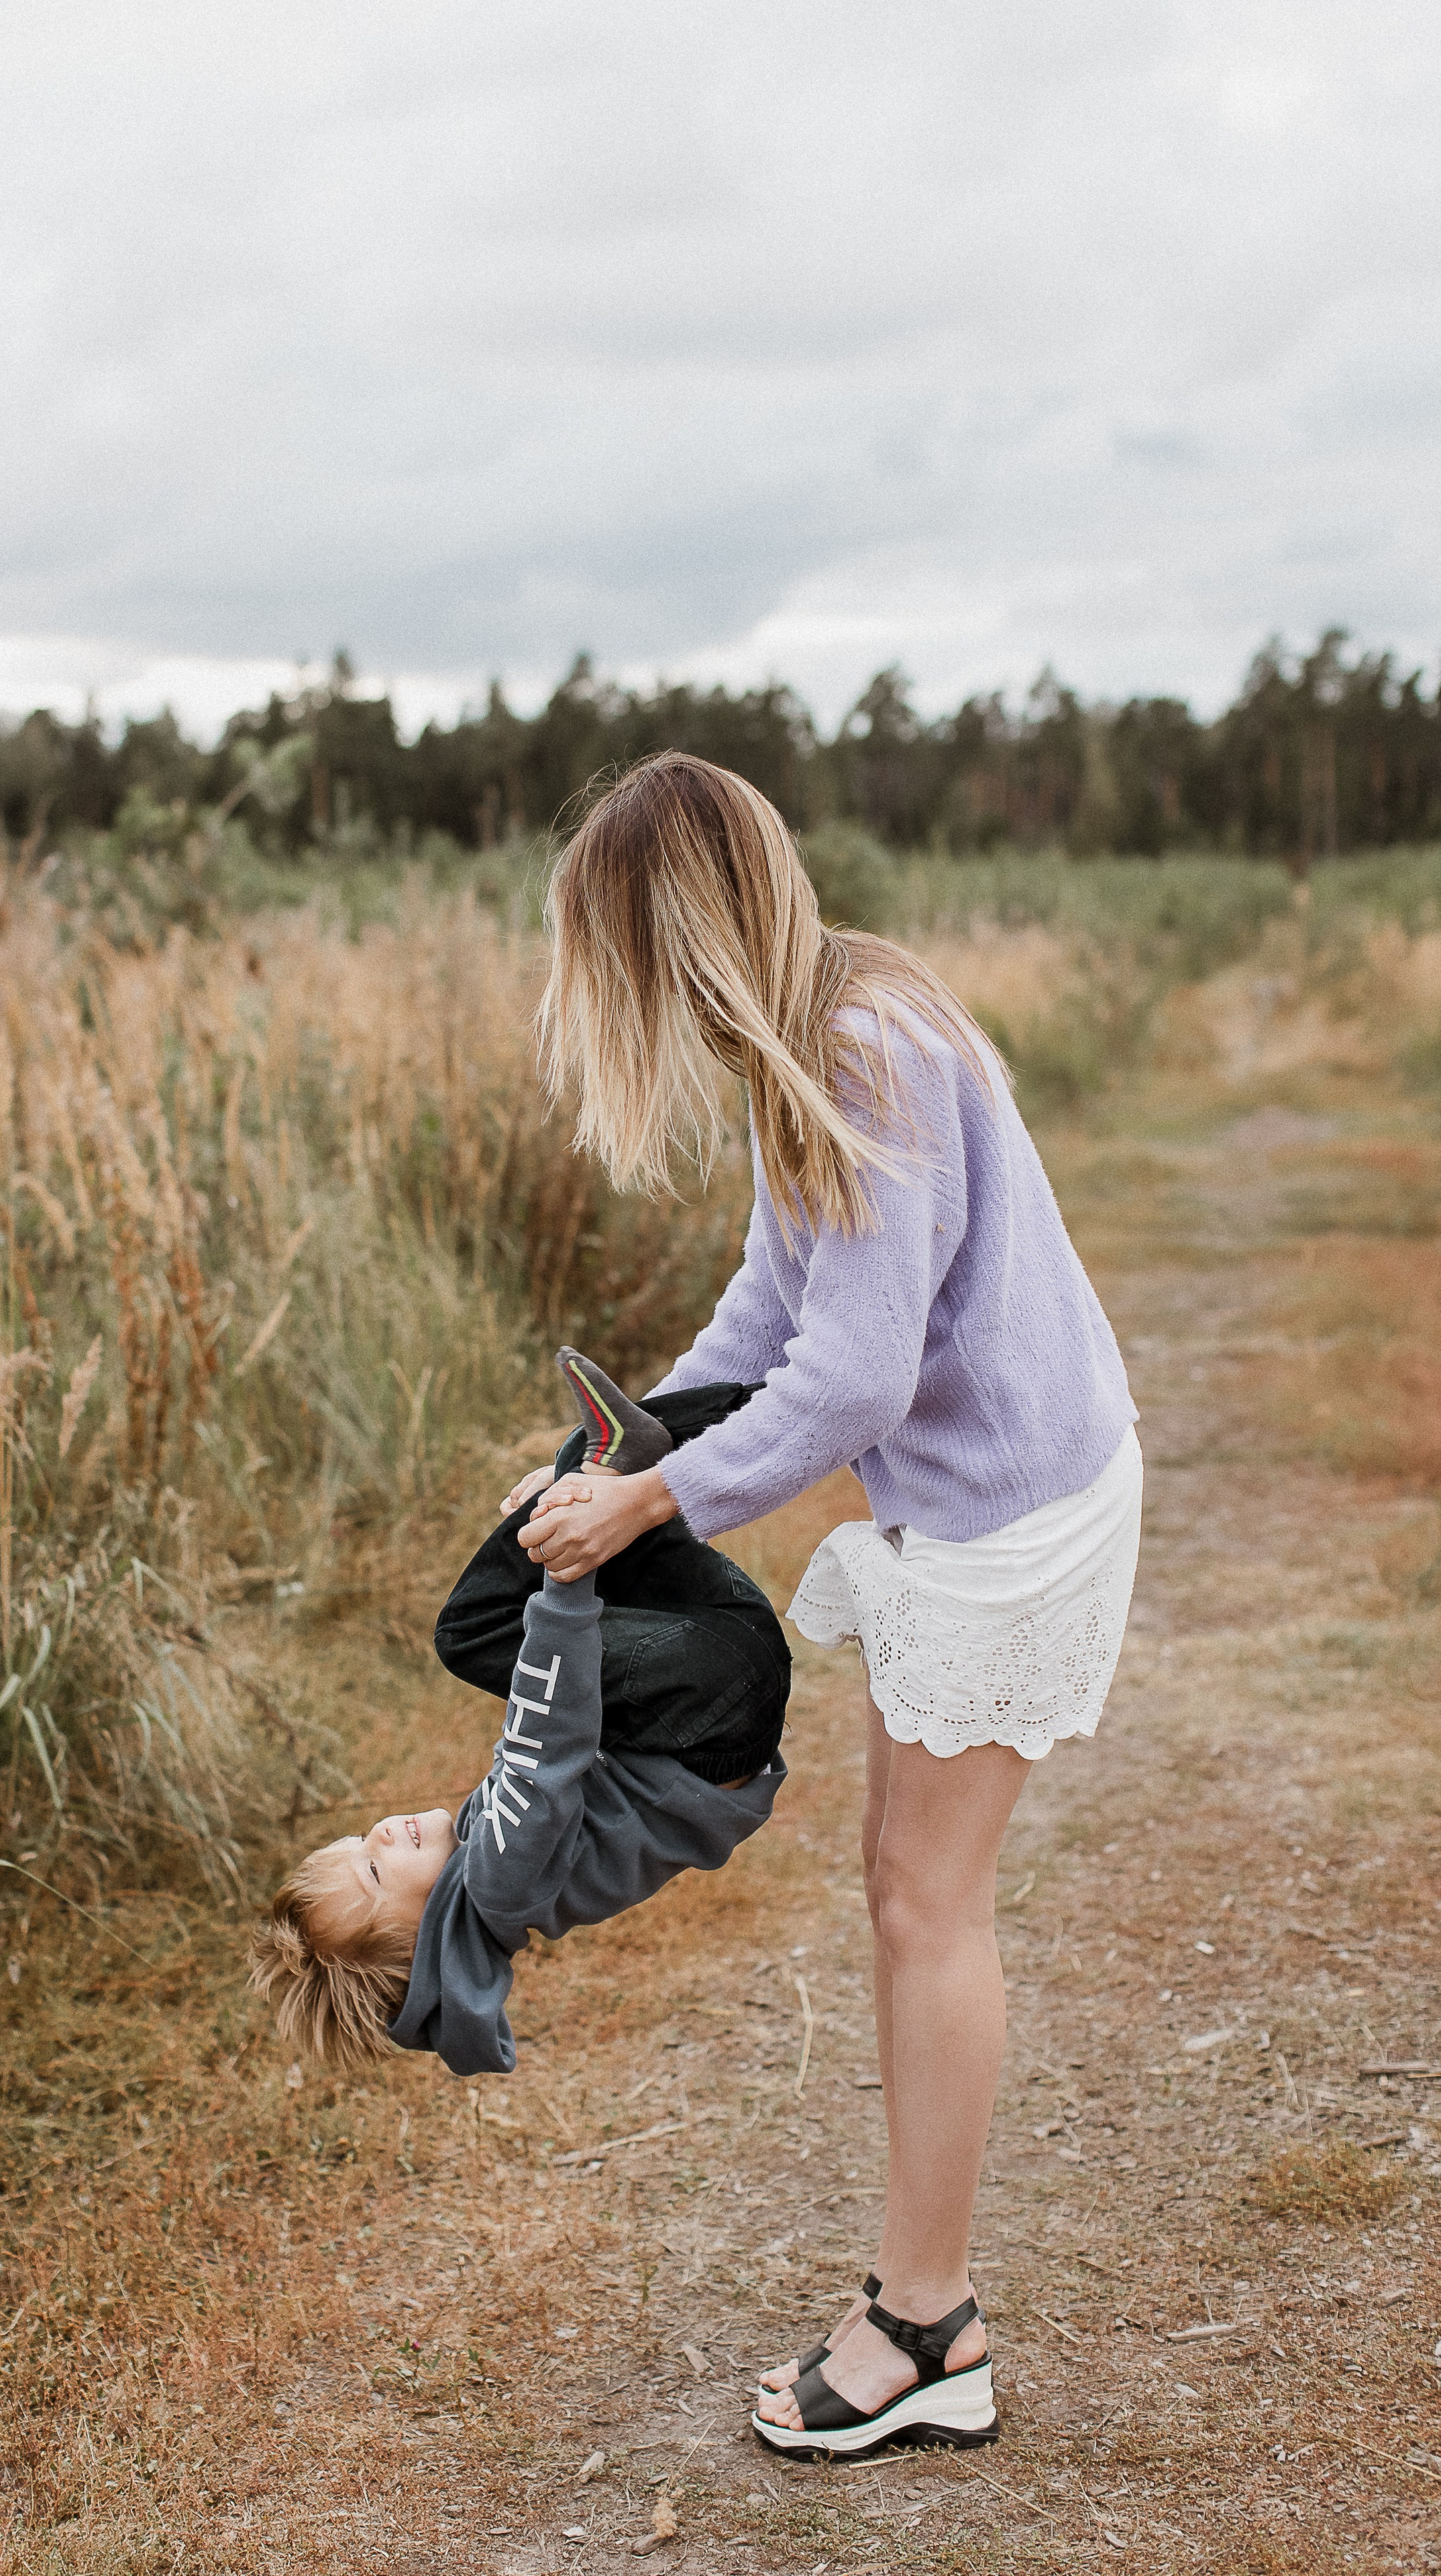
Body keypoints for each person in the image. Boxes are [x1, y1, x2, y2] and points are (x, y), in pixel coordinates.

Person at [511, 751, 1142, 2462]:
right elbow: (769, 1310)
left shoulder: (863, 1048)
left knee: (925, 1905)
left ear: (672, 940)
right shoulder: (821, 1027)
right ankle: (919, 2302)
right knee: (900, 1893)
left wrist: (645, 1502)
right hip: (975, 1495)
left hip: (1011, 1508)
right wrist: (618, 1434)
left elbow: (848, 1381)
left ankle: (926, 2326)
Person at [247, 1350, 790, 2077]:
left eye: (354, 1842)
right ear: (423, 1943)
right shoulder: (501, 1879)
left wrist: (570, 1522)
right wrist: (562, 1575)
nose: (378, 1833)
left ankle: (791, 1396)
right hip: (704, 1708)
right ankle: (642, 1459)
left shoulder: (491, 1861)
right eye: (375, 1872)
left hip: (719, 1691)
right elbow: (548, 1737)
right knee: (471, 1630)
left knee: (598, 1466)